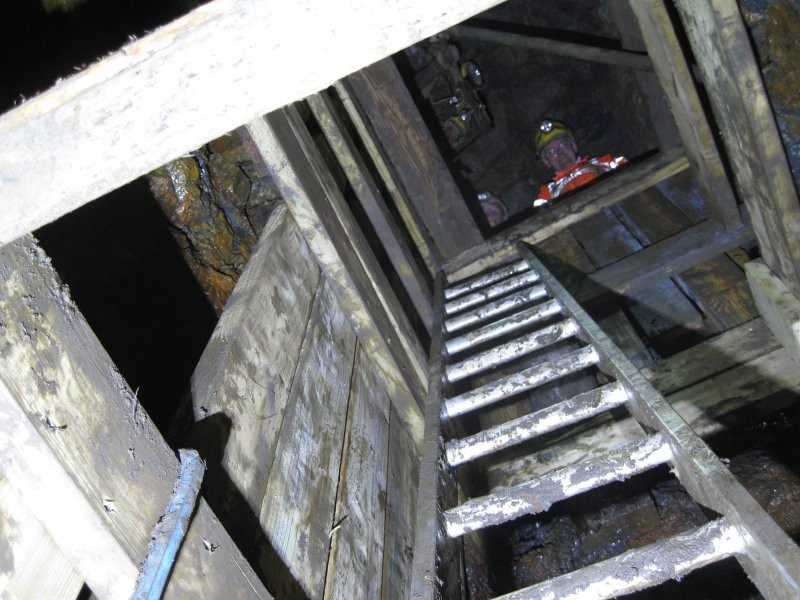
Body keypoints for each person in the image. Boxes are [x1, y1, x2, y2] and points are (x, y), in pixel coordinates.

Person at [533, 119, 626, 208]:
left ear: (573, 146)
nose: (560, 153)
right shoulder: (548, 193)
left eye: (563, 145)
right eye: (551, 152)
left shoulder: (603, 163)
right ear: (546, 161)